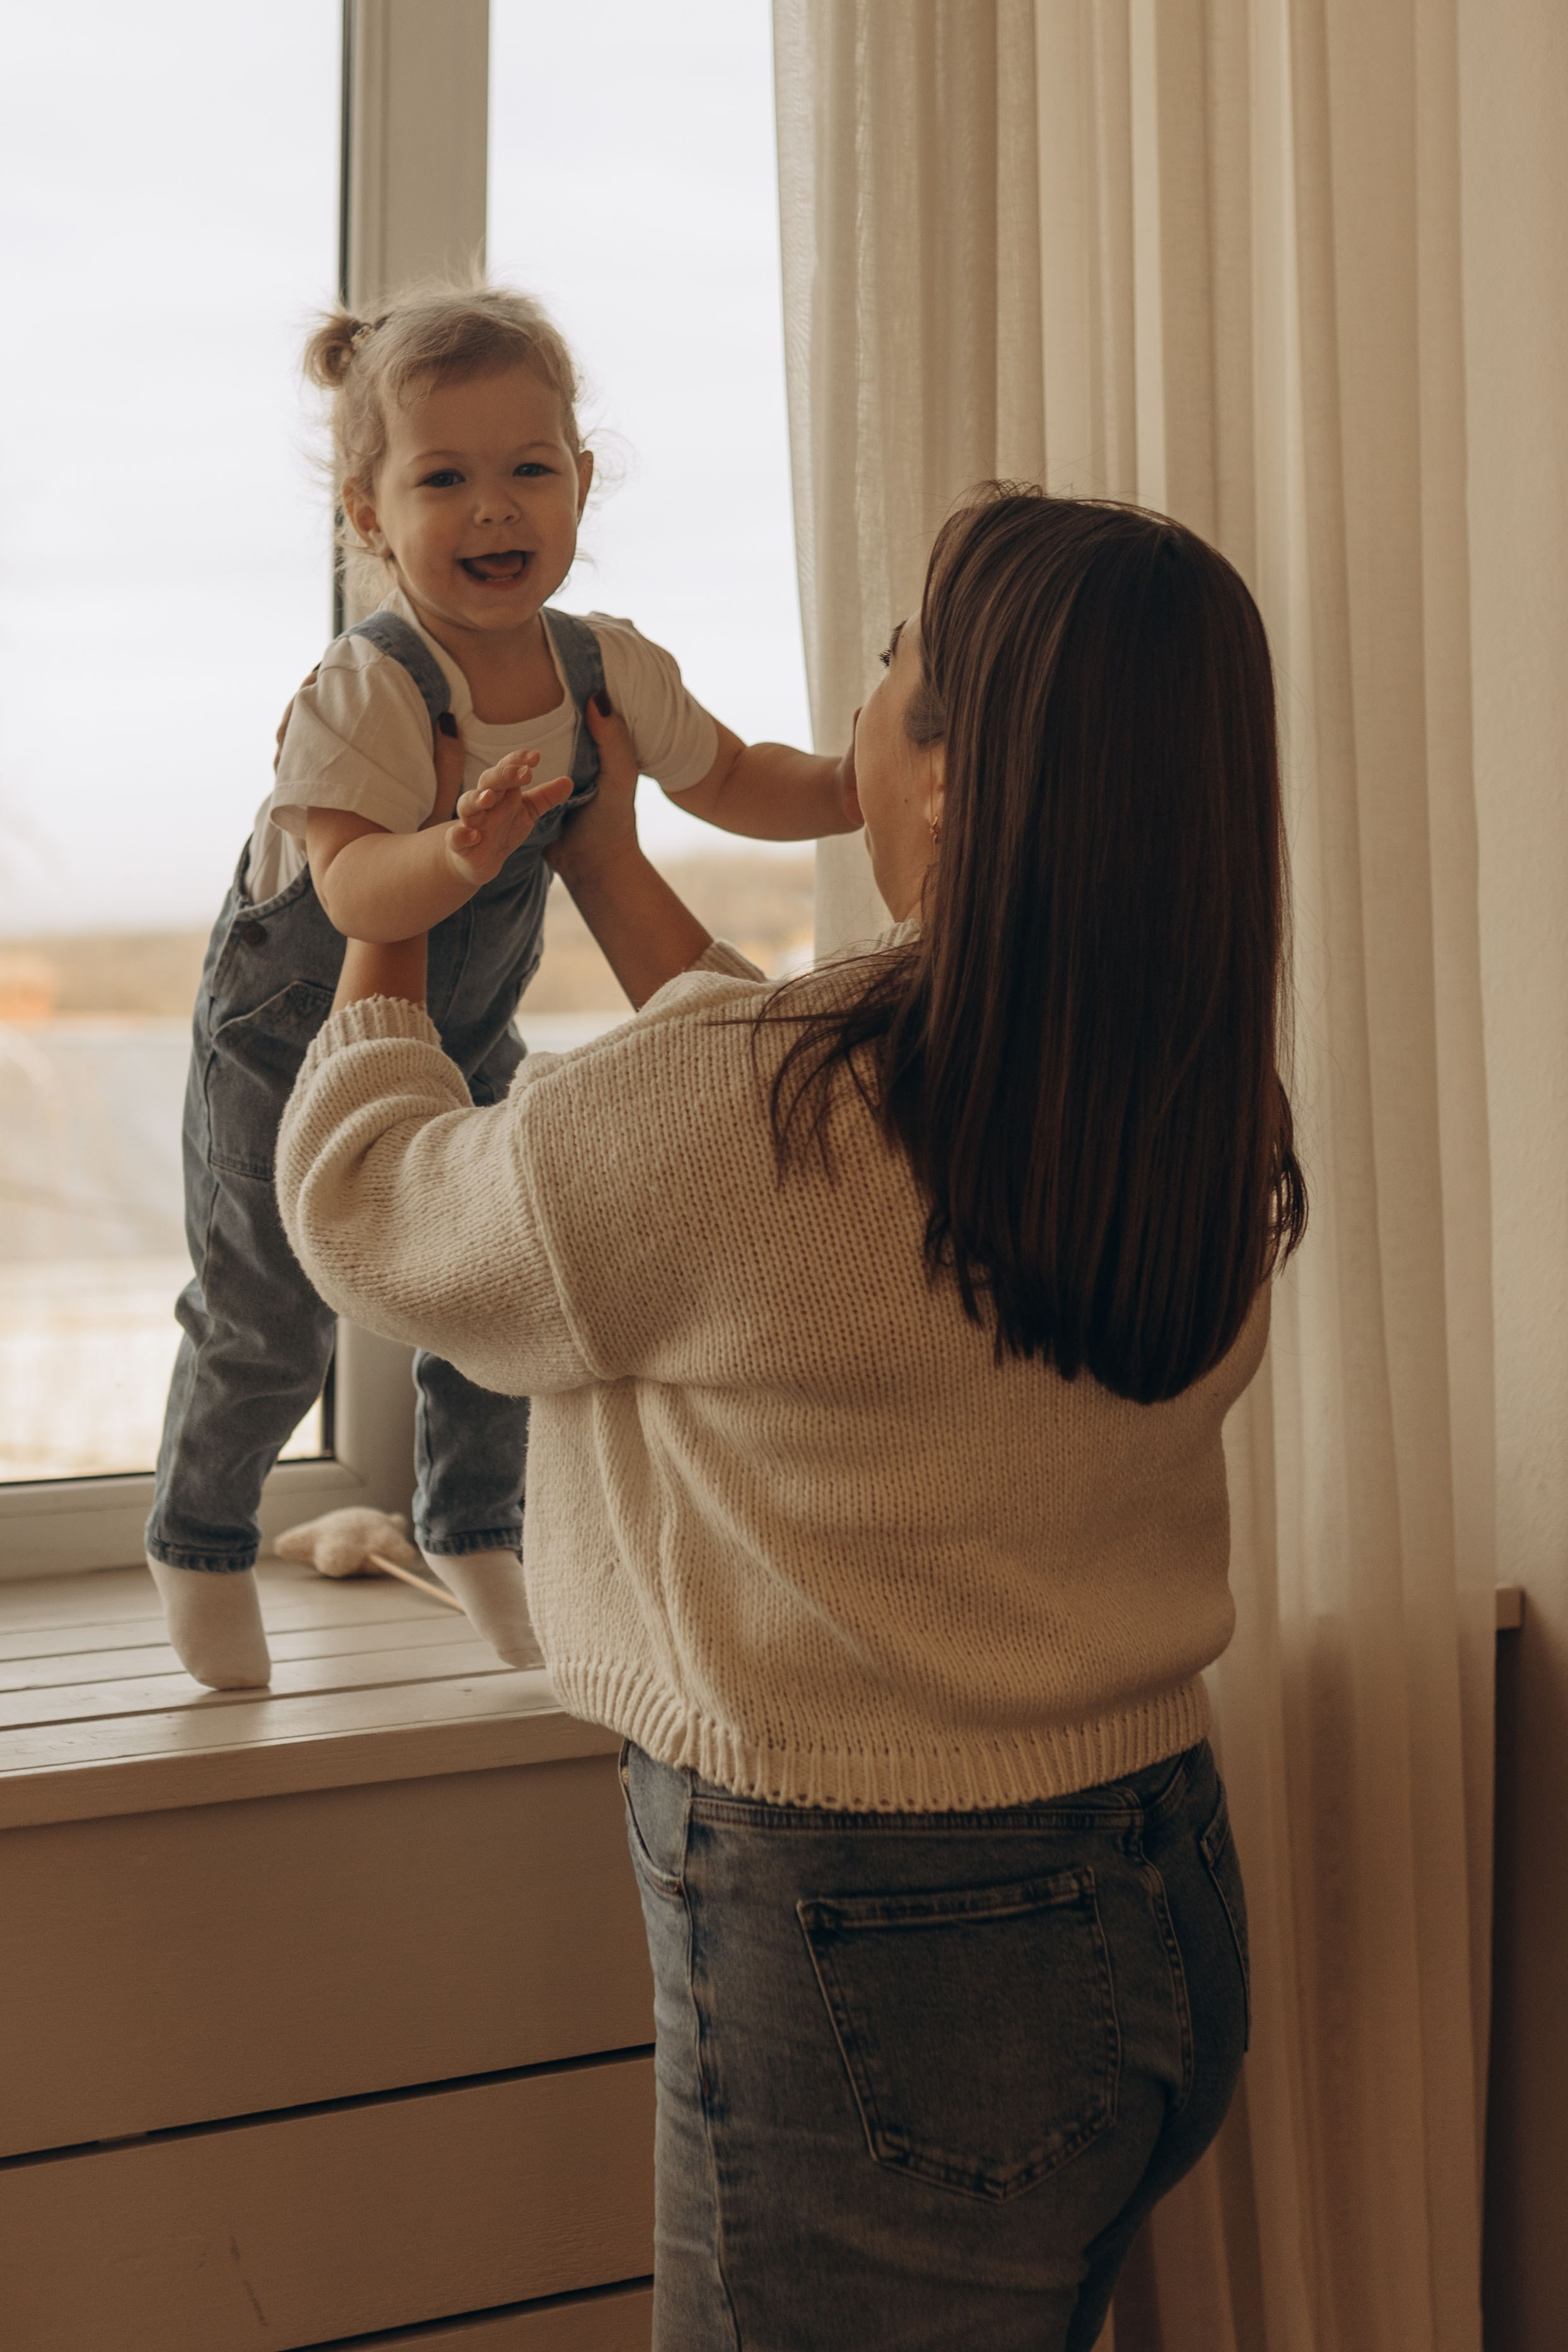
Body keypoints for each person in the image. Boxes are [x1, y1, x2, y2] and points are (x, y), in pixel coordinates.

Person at [274, 488, 1305, 2349]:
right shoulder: (1189, 1102)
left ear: (947, 779)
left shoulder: (758, 1121)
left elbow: (368, 1200)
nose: (862, 693)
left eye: (895, 661)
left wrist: (399, 895)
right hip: (1156, 1896)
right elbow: (790, 1170)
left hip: (882, 1950)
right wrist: (599, 868)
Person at [143, 281, 858, 1690]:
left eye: (529, 469)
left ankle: (476, 1522)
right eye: (445, 478)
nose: (494, 509)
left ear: (581, 483)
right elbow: (353, 894)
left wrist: (849, 785)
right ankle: (201, 1536)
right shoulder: (366, 686)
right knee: (263, 1315)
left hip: (460, 1027)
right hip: (286, 1039)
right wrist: (453, 848)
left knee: (492, 1282)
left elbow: (728, 775)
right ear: (370, 514)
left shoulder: (602, 663)